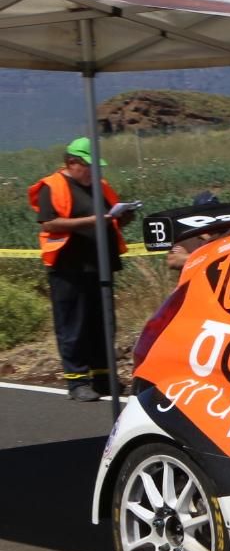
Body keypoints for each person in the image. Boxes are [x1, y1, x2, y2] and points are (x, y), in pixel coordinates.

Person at [28, 137, 135, 401]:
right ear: (71, 162)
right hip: (68, 266)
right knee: (73, 325)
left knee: (102, 323)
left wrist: (123, 216)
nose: (92, 172)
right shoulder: (52, 186)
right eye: (87, 166)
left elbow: (111, 219)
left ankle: (103, 377)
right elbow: (49, 224)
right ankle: (77, 381)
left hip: (100, 264)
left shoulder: (101, 186)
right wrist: (92, 220)